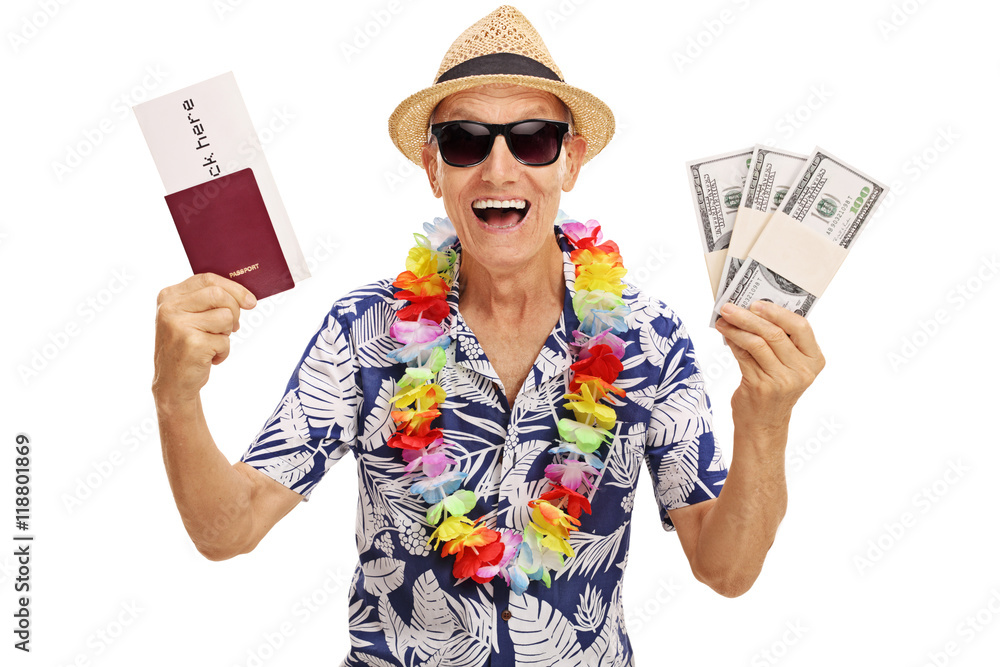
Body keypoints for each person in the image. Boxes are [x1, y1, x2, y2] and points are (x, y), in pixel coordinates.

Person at [152, 6, 824, 666]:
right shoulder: (364, 332)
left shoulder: (650, 337)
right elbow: (229, 527)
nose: (498, 169)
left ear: (571, 161)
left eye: (532, 138)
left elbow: (725, 568)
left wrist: (765, 420)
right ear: (432, 167)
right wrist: (175, 395)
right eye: (466, 141)